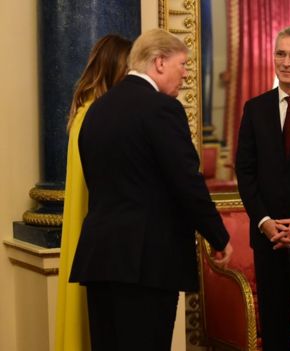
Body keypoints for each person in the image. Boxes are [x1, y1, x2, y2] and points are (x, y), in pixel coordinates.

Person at [69, 28, 233, 351]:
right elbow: (187, 182)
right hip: (147, 263)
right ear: (159, 62)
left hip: (100, 258)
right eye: (182, 65)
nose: (185, 75)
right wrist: (219, 236)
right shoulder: (162, 109)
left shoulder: (95, 112)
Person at [235, 25, 290, 350]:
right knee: (273, 329)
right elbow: (245, 172)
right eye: (280, 53)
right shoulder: (255, 108)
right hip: (268, 238)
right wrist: (264, 221)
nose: (286, 62)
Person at [55, 34, 132, 351]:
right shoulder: (98, 117)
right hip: (100, 227)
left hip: (87, 227)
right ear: (116, 70)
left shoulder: (84, 113)